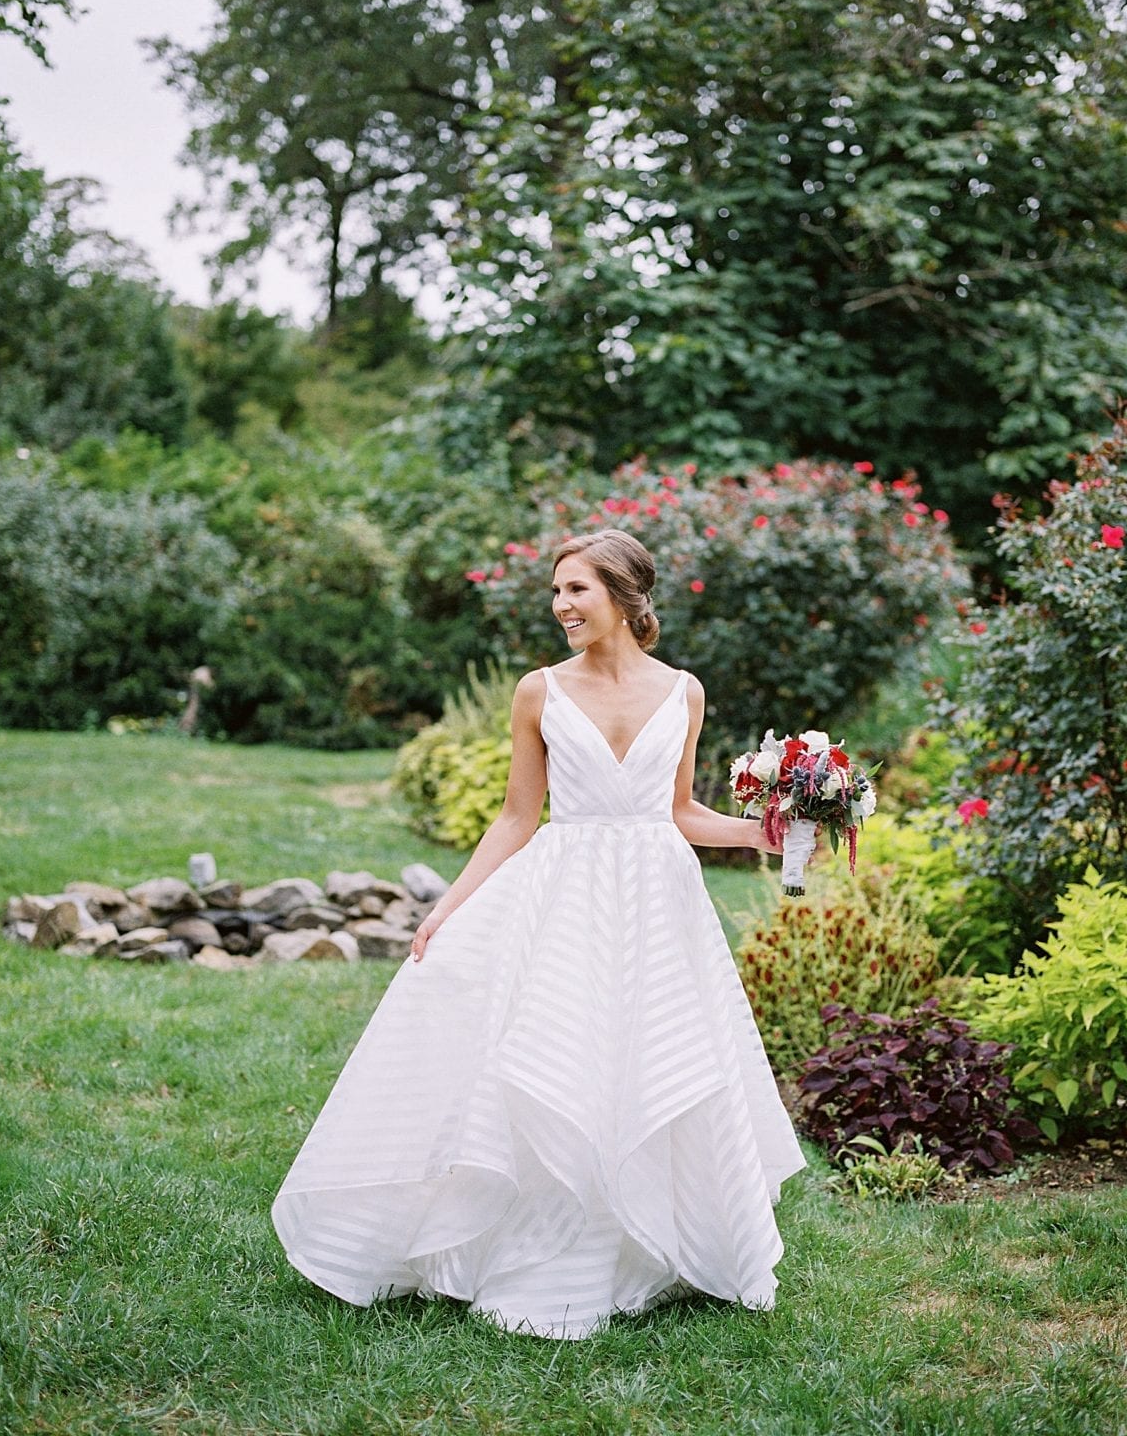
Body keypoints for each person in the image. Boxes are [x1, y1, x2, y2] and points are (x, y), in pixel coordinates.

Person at [271, 528, 807, 1339]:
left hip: (659, 898)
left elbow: (678, 811)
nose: (561, 606)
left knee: (657, 1055)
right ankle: (547, 1250)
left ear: (625, 598)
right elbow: (520, 815)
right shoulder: (538, 691)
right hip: (568, 893)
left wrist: (760, 834)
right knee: (562, 1058)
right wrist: (448, 906)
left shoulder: (684, 691)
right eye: (556, 592)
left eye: (576, 590)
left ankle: (658, 1243)